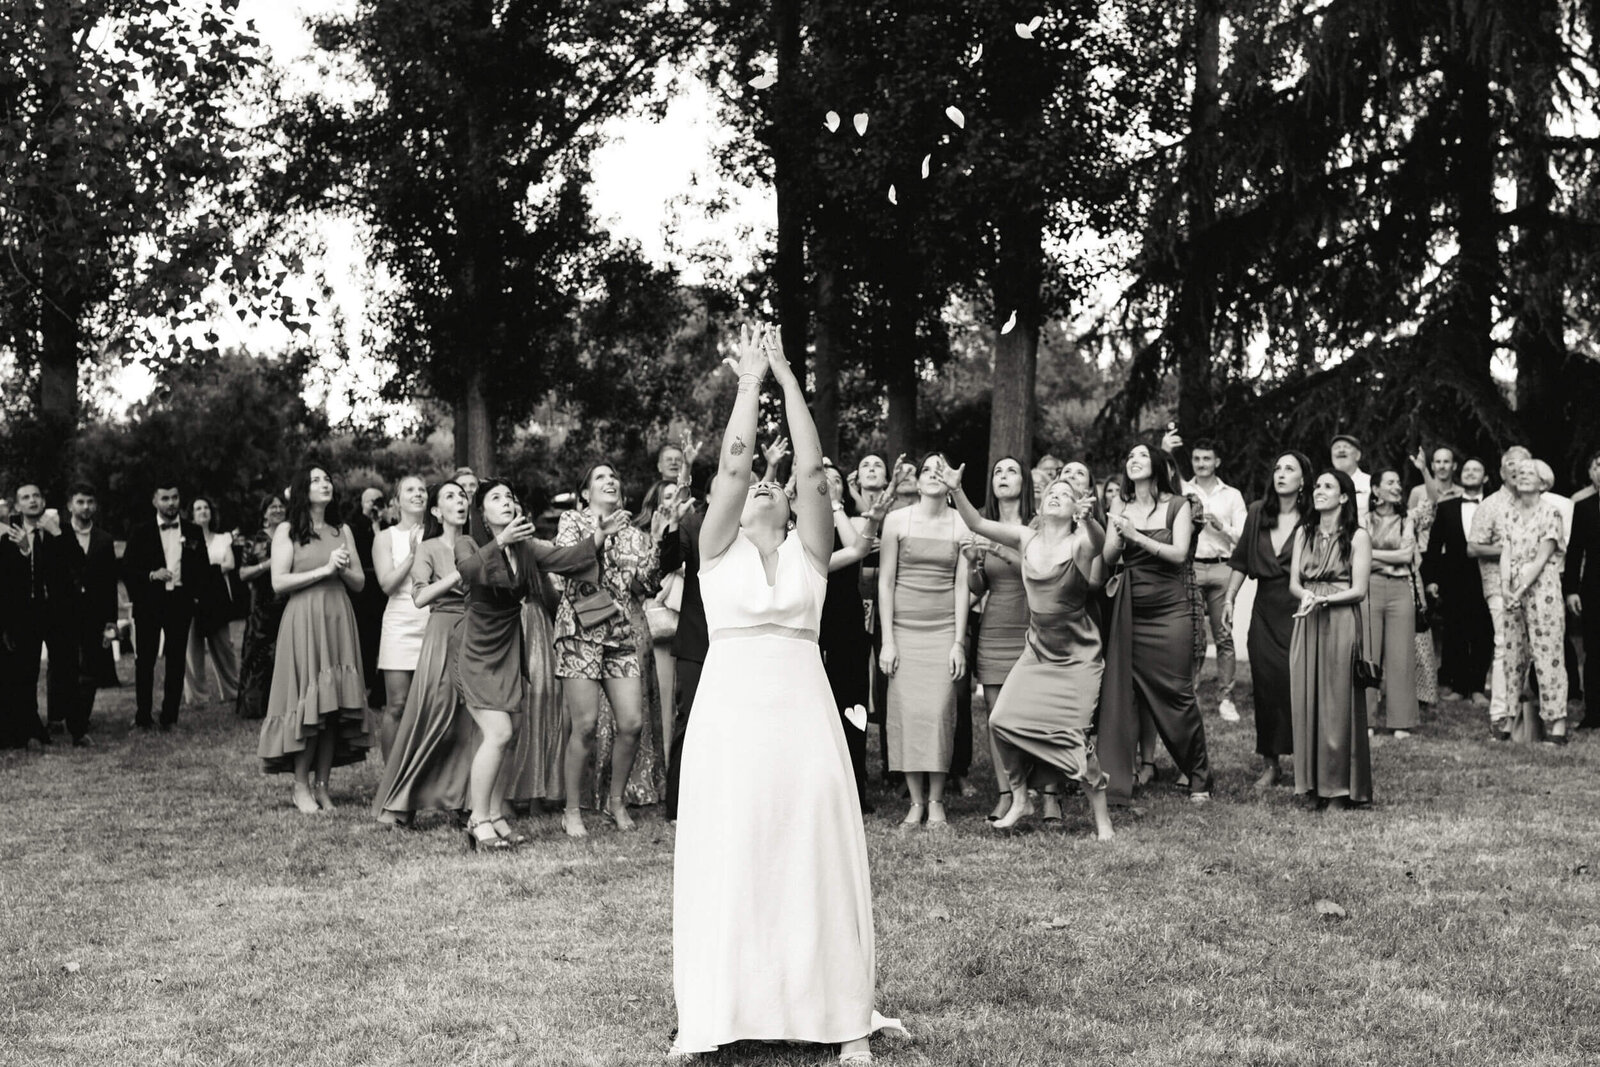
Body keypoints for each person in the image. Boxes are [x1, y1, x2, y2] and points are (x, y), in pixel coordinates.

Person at [672, 323, 888, 1063]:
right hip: (729, 714)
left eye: (777, 483)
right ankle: (714, 1010)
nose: (764, 483)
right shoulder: (713, 552)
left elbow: (815, 469)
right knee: (729, 849)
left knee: (814, 848)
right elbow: (733, 467)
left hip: (803, 712)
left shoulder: (811, 553)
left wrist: (791, 378)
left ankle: (845, 1018)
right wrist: (747, 383)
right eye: (752, 486)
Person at [942, 461, 1115, 838]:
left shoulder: (1080, 543)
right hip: (1036, 651)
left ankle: (1102, 820)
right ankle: (1021, 797)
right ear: (1039, 507)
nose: (1057, 496)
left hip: (1077, 655)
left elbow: (1098, 543)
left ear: (1075, 509)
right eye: (1052, 492)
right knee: (1001, 719)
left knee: (1073, 739)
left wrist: (1089, 520)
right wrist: (956, 489)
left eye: (1066, 495)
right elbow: (976, 524)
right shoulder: (1025, 537)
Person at [456, 479, 615, 850]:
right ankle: (477, 820)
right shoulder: (469, 543)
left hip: (509, 646)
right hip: (477, 648)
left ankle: (495, 814)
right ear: (483, 513)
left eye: (510, 496)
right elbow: (469, 572)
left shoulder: (527, 548)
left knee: (509, 733)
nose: (507, 502)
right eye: (496, 498)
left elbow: (568, 558)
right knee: (497, 733)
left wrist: (598, 537)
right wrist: (501, 542)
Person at [553, 463, 665, 836]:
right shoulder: (573, 521)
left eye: (614, 477)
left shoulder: (634, 534)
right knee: (584, 726)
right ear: (585, 493)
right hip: (580, 630)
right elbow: (565, 564)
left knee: (631, 723)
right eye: (600, 478)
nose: (610, 481)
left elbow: (646, 584)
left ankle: (615, 801)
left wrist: (658, 539)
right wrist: (599, 536)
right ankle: (572, 810)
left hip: (619, 634)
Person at [1100, 443, 1214, 805]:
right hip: (1130, 606)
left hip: (1169, 608)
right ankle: (1122, 774)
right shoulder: (1119, 506)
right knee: (1124, 694)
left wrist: (1136, 536)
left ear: (1158, 465)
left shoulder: (1178, 506)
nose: (1133, 460)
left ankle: (1198, 774)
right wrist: (1116, 536)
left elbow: (1179, 555)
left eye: (1141, 456)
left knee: (1178, 693)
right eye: (1129, 456)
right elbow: (1107, 556)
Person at [257, 464, 370, 812]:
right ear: (302, 489)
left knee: (333, 705)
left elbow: (360, 582)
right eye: (316, 480)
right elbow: (278, 582)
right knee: (310, 702)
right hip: (304, 618)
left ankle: (323, 786)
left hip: (338, 616)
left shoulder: (342, 530)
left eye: (327, 479)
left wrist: (344, 569)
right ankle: (301, 785)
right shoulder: (288, 531)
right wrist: (324, 570)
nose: (325, 484)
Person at [373, 480, 477, 826]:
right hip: (442, 633)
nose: (459, 501)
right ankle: (402, 801)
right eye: (450, 496)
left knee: (470, 721)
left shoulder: (476, 545)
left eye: (462, 495)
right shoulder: (428, 547)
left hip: (475, 634)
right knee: (435, 717)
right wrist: (456, 577)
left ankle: (466, 801)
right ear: (436, 510)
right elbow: (419, 596)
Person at [879, 452, 971, 829]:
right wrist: (887, 639)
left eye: (939, 469)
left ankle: (936, 801)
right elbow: (886, 581)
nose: (933, 474)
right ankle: (915, 802)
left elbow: (962, 585)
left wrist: (958, 642)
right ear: (916, 482)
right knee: (906, 714)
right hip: (902, 630)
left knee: (937, 714)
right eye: (926, 470)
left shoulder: (962, 524)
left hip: (943, 631)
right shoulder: (896, 521)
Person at [1227, 451, 1312, 788]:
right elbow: (1241, 560)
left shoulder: (1313, 516)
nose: (1280, 474)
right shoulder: (1258, 511)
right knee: (1267, 687)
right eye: (1277, 467)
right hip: (1264, 609)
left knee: (1300, 685)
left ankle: (1306, 761)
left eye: (1289, 469)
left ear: (1303, 480)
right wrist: (1230, 599)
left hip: (1300, 609)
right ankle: (1271, 763)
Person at [1289, 469, 1373, 807]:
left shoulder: (1358, 536)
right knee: (1305, 697)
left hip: (1339, 619)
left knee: (1337, 702)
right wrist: (1306, 596)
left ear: (1343, 497)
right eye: (1317, 486)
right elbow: (1294, 581)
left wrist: (1325, 599)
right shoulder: (1303, 533)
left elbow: (1359, 589)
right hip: (1307, 618)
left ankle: (1338, 789)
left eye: (1328, 486)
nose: (1318, 491)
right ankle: (1310, 785)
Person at [819, 460, 892, 811]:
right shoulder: (800, 522)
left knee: (852, 704)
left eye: (835, 478)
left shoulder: (855, 521)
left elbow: (854, 549)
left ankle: (854, 789)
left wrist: (836, 504)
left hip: (847, 620)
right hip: (813, 619)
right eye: (823, 477)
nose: (829, 481)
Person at [967, 457, 1036, 822]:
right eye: (997, 472)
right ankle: (1006, 792)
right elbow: (977, 588)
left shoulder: (1038, 523)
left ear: (1024, 481)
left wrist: (997, 550)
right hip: (994, 626)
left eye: (1011, 471)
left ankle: (1040, 789)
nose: (1003, 477)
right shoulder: (981, 522)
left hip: (1031, 627)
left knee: (1031, 713)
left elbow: (1040, 569)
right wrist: (974, 565)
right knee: (995, 717)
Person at [122, 480, 208, 731]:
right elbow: (127, 569)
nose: (171, 503)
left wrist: (194, 597)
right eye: (165, 498)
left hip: (180, 603)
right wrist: (151, 574)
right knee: (145, 660)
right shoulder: (141, 531)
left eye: (174, 497)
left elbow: (202, 568)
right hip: (149, 602)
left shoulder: (192, 531)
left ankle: (170, 717)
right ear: (155, 501)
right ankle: (143, 716)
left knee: (176, 660)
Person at [1498, 458, 1568, 743]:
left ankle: (1557, 723)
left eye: (1531, 473)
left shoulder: (1551, 512)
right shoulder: (1508, 512)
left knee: (1547, 654)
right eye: (1521, 473)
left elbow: (1542, 557)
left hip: (1542, 588)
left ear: (1543, 482)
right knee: (1513, 655)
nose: (1524, 476)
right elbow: (1505, 551)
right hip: (1513, 588)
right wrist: (1505, 587)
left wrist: (1521, 588)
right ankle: (1511, 719)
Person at [48, 484, 119, 746]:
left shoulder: (104, 539)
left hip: (94, 612)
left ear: (95, 506)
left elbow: (110, 583)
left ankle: (81, 720)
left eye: (90, 502)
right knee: (61, 665)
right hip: (62, 611)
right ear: (70, 505)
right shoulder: (57, 533)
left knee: (89, 667)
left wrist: (111, 621)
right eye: (80, 502)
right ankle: (57, 716)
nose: (85, 507)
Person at [1183, 439, 1247, 723]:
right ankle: (1190, 697)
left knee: (1223, 635)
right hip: (1191, 567)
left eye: (1206, 459)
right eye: (1197, 458)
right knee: (1192, 636)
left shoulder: (1232, 496)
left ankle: (1226, 699)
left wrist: (1222, 527)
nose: (1201, 463)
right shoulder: (1183, 490)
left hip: (1222, 568)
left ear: (1217, 462)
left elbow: (1243, 537)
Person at [1469, 446, 1533, 725]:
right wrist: (1511, 549)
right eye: (1512, 466)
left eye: (1524, 465)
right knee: (1504, 644)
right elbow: (1473, 547)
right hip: (1499, 585)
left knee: (1529, 648)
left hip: (1534, 586)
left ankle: (1520, 706)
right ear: (1502, 471)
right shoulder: (1491, 505)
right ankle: (1499, 711)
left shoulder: (1536, 503)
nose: (1518, 470)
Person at [1424, 457, 1492, 704]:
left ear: (1485, 477)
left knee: (1484, 632)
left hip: (1488, 576)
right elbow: (1434, 546)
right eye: (1467, 470)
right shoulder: (1447, 507)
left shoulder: (1494, 505)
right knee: (1456, 632)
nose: (1471, 473)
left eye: (1477, 469)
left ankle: (1477, 687)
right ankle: (1459, 686)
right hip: (1454, 579)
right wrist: (1430, 578)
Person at [0, 484, 64, 746]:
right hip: (24, 615)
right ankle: (30, 728)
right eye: (26, 498)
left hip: (56, 613)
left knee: (63, 669)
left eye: (37, 495)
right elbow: (7, 583)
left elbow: (69, 568)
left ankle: (64, 722)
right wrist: (24, 551)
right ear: (17, 507)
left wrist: (57, 534)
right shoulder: (8, 538)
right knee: (25, 672)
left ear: (44, 500)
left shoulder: (58, 533)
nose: (32, 501)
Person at [372, 475, 430, 760]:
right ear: (397, 501)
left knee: (430, 704)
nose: (418, 494)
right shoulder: (385, 538)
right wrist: (411, 555)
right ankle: (390, 779)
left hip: (432, 622)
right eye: (410, 489)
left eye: (422, 489)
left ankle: (423, 775)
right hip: (399, 623)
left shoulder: (438, 534)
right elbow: (386, 584)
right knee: (397, 704)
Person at [1364, 468, 1421, 737]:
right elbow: (1356, 557)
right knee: (1368, 655)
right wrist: (1391, 555)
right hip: (1369, 588)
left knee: (1401, 656)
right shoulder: (1364, 520)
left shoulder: (1406, 519)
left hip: (1400, 589)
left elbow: (1406, 555)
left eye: (1399, 481)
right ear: (1376, 490)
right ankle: (1365, 720)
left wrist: (1372, 555)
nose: (1397, 486)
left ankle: (1401, 721)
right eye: (1390, 482)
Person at [183, 495, 241, 706]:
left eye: (206, 507)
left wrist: (204, 571)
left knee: (224, 646)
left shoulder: (222, 538)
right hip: (192, 597)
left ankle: (232, 690)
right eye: (198, 508)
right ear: (191, 515)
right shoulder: (186, 540)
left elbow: (230, 564)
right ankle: (197, 696)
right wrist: (211, 569)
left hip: (216, 597)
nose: (203, 511)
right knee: (192, 648)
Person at [235, 494, 288, 720]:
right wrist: (267, 564)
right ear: (264, 513)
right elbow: (243, 573)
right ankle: (254, 706)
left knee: (283, 653)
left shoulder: (291, 535)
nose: (277, 509)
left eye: (280, 506)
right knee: (257, 655)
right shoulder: (254, 540)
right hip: (262, 605)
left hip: (286, 601)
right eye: (272, 507)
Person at [1565, 449, 1600, 729]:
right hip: (1593, 589)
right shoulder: (1585, 507)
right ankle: (1594, 714)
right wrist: (1571, 590)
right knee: (1594, 651)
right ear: (1590, 473)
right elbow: (1574, 552)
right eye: (1598, 466)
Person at [348, 484, 389, 713]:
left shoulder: (385, 526)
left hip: (383, 590)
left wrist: (378, 523)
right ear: (362, 503)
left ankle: (380, 693)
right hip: (364, 593)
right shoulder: (354, 526)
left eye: (378, 500)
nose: (374, 505)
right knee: (365, 642)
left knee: (383, 641)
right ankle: (363, 688)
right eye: (369, 501)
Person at [1330, 433, 1372, 524]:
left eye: (1346, 447)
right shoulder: (1324, 485)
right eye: (1337, 447)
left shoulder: (1370, 483)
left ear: (1358, 455)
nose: (1341, 450)